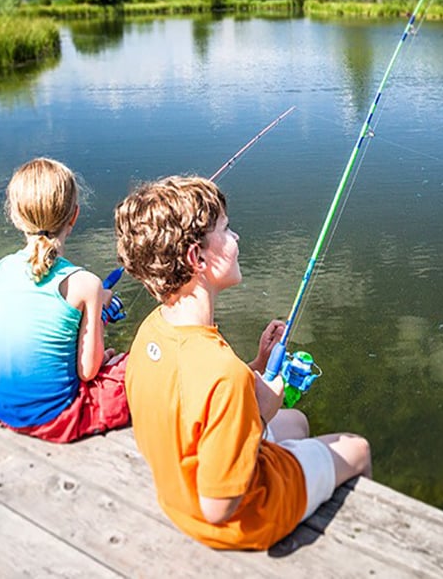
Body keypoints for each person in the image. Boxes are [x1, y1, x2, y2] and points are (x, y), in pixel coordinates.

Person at [114, 175, 371, 550]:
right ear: (195, 258)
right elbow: (218, 506)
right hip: (236, 520)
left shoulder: (152, 331)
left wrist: (258, 363)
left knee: (297, 421)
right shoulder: (223, 374)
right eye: (226, 230)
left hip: (177, 495)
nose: (237, 239)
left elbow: (197, 403)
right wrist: (263, 413)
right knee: (357, 448)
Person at [0, 157, 128, 443]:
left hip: (5, 408)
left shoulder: (1, 267)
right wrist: (103, 339)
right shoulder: (86, 284)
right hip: (58, 419)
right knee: (139, 367)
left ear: (15, 216)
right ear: (74, 216)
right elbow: (88, 372)